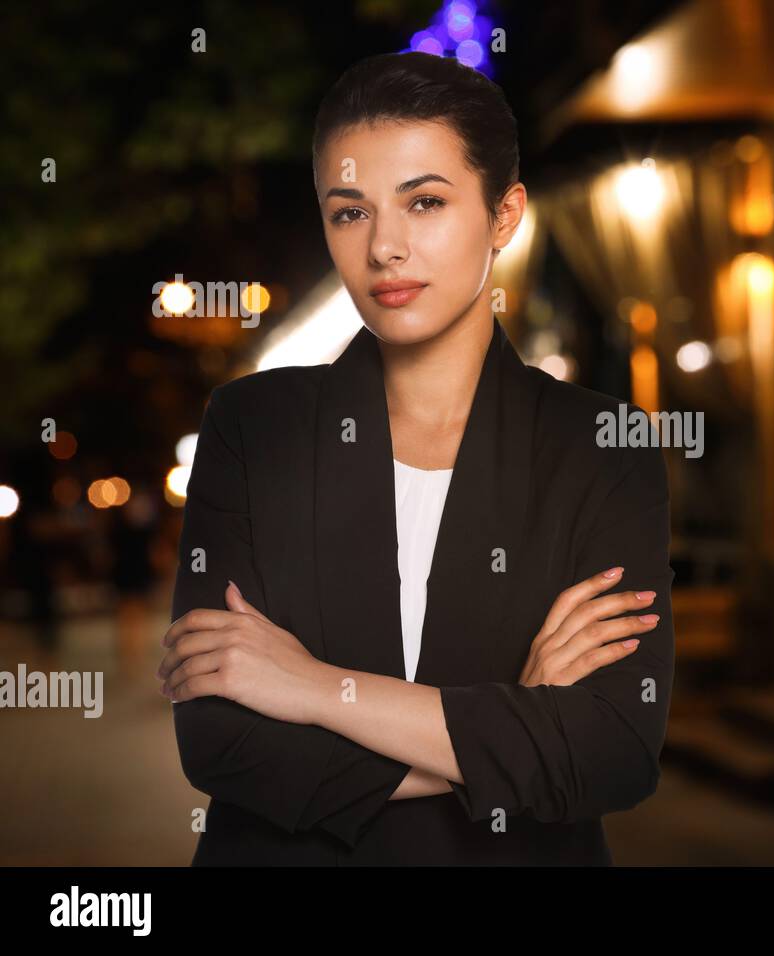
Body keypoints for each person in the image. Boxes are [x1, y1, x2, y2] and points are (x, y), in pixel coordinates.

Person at [156, 51, 675, 865]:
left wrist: (312, 687)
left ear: (505, 216)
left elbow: (608, 752)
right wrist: (517, 720)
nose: (385, 248)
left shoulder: (601, 444)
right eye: (350, 212)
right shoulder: (255, 427)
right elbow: (222, 741)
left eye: (424, 202)